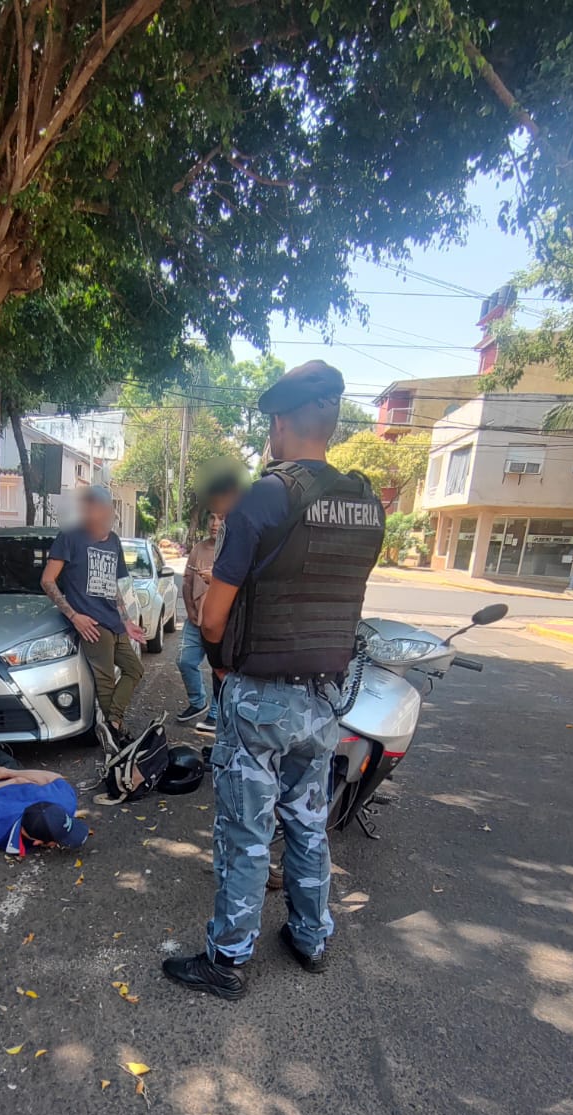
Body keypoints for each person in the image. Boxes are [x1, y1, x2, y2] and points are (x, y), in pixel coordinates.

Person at [162, 361, 386, 1002]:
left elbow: (213, 612)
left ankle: (227, 959)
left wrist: (222, 666)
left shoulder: (268, 495)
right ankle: (312, 938)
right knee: (308, 821)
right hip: (323, 697)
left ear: (281, 423)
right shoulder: (365, 502)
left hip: (260, 693)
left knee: (245, 829)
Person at [41, 485, 146, 743]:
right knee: (106, 681)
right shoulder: (70, 537)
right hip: (92, 624)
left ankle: (112, 724)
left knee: (135, 669)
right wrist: (74, 616)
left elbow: (113, 585)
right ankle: (115, 736)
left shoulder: (113, 540)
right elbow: (47, 581)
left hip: (114, 621)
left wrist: (127, 620)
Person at [176, 472, 241, 732]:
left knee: (219, 669)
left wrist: (215, 578)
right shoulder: (198, 548)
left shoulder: (234, 549)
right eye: (212, 517)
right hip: (196, 621)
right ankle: (198, 701)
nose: (215, 523)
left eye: (221, 518)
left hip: (221, 622)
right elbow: (187, 583)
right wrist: (191, 611)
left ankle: (215, 714)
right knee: (185, 661)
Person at [0, 759, 89, 855]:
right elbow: (54, 777)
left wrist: (9, 778)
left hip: (3, 787)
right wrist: (8, 776)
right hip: (0, 784)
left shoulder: (65, 802)